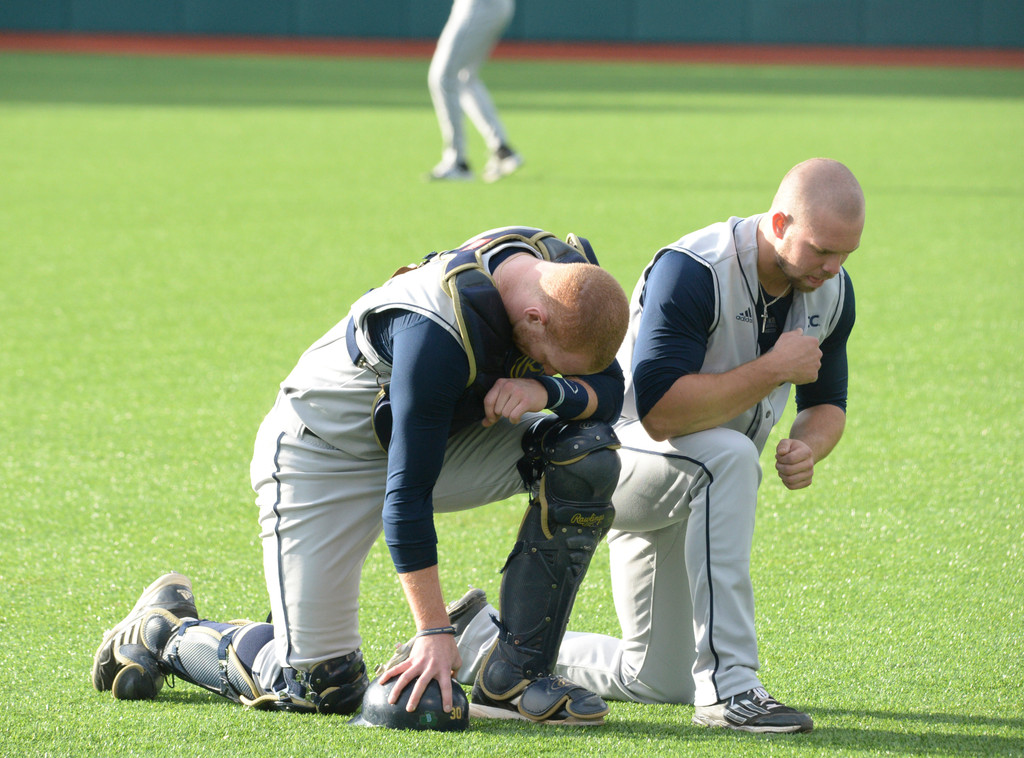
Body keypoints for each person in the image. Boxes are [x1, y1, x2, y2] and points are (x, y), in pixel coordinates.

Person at [91, 226, 630, 726]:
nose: (552, 369)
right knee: (320, 686)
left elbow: (608, 391)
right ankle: (164, 630)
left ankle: (514, 675)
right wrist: (433, 631)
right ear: (534, 318)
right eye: (550, 362)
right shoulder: (436, 328)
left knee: (584, 453)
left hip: (438, 442)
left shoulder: (570, 283)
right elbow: (407, 496)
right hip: (323, 456)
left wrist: (546, 389)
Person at [440, 158, 865, 733]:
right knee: (729, 456)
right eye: (822, 250)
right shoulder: (695, 269)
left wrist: (810, 445)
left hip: (693, 483)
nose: (832, 267)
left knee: (658, 678)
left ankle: (481, 640)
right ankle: (732, 688)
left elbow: (827, 403)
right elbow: (661, 415)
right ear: (780, 223)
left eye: (845, 254)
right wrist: (771, 370)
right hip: (615, 459)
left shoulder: (832, 291)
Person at [426, 0, 523, 182]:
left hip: (480, 6)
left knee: (443, 77)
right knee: (464, 78)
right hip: (490, 7)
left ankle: (457, 162)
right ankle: (502, 150)